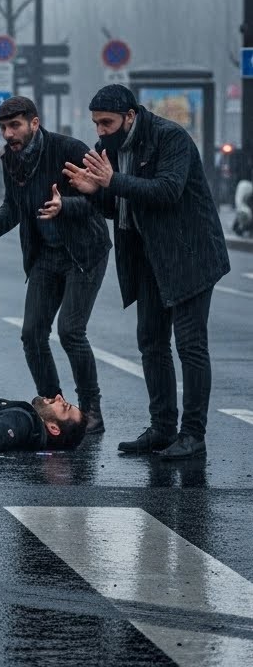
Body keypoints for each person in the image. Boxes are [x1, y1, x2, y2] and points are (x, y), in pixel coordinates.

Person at [63, 84, 230, 460]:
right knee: (151, 343)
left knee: (190, 346)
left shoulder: (171, 138)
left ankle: (193, 434)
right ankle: (161, 429)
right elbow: (117, 205)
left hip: (190, 253)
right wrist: (93, 191)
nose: (100, 131)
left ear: (130, 116)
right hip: (149, 256)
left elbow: (167, 191)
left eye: (106, 122)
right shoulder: (109, 149)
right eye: (95, 123)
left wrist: (111, 182)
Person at [0, 96, 112, 435]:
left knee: (71, 331)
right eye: (3, 128)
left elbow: (100, 201)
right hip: (45, 254)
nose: (9, 134)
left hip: (83, 252)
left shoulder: (69, 149)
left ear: (34, 123)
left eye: (15, 126)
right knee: (32, 334)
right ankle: (52, 403)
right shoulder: (10, 160)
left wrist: (65, 205)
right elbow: (14, 206)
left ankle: (91, 409)